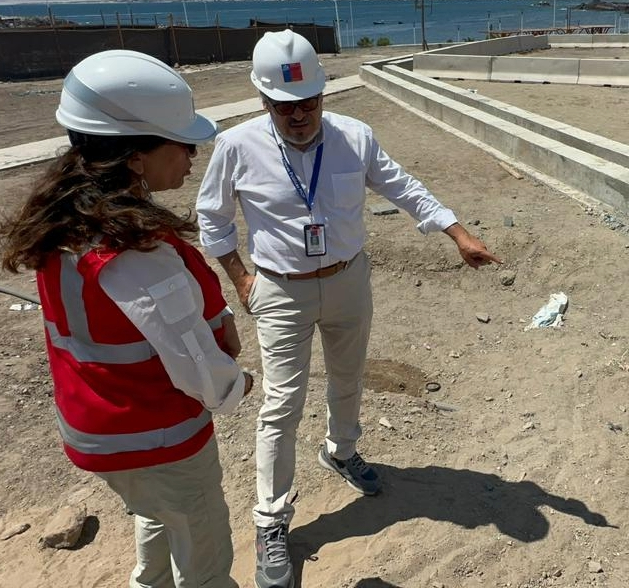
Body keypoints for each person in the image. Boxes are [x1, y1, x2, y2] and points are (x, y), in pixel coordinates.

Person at [196, 30, 500, 588]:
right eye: (284, 106)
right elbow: (212, 219)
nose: (298, 115)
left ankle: (341, 451)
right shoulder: (236, 146)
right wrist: (240, 279)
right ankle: (271, 521)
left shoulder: (354, 137)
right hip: (280, 290)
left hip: (347, 280)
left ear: (323, 93)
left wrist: (457, 232)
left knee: (348, 376)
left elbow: (403, 187)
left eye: (308, 102)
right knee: (282, 405)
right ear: (263, 99)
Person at [0, 49, 253, 588]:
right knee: (204, 557)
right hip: (157, 435)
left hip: (100, 431)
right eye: (181, 143)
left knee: (157, 513)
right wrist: (234, 385)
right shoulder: (134, 253)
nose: (192, 155)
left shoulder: (67, 220)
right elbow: (191, 357)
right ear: (135, 157)